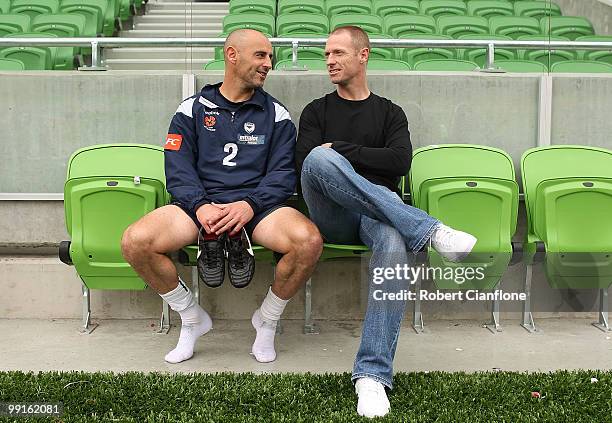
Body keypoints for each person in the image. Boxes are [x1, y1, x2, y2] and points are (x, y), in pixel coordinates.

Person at [295, 26, 477, 418]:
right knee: (318, 160)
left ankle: (372, 376)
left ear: (363, 55)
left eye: (338, 53)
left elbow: (399, 161)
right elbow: (306, 166)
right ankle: (430, 230)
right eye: (326, 54)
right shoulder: (316, 111)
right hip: (333, 214)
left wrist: (341, 149)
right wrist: (348, 158)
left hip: (379, 216)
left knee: (394, 240)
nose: (329, 60)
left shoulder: (390, 112)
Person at [122, 29, 322, 365]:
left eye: (270, 57)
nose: (268, 64)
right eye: (261, 55)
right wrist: (200, 205)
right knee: (135, 242)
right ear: (232, 55)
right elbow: (178, 168)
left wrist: (250, 205)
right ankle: (191, 317)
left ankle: (268, 320)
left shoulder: (277, 114)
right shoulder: (191, 110)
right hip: (198, 206)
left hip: (258, 208)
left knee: (309, 242)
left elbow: (283, 174)